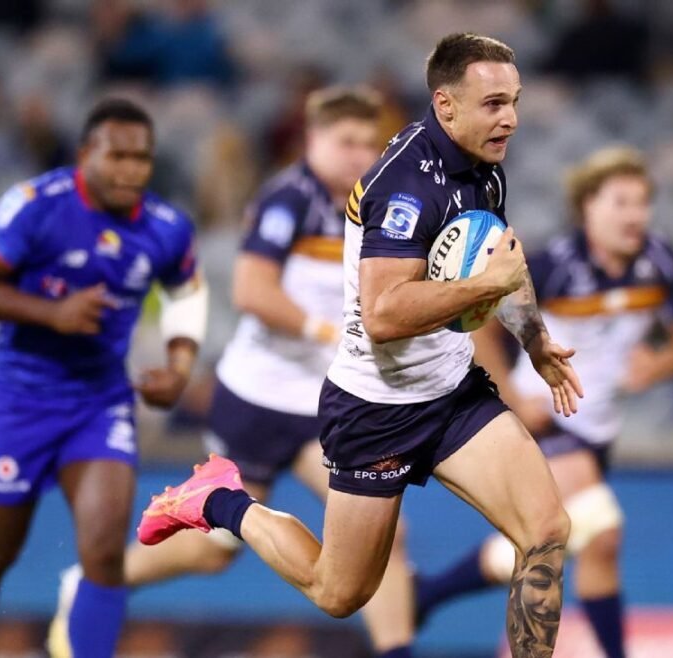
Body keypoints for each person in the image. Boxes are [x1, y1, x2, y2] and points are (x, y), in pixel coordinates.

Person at [139, 33, 584, 658]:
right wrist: (488, 285)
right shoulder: (404, 187)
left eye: (513, 101)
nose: (509, 117)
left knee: (546, 530)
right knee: (339, 591)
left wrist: (534, 340)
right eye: (493, 104)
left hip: (453, 394)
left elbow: (501, 259)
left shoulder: (482, 164)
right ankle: (218, 500)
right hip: (377, 409)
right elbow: (382, 314)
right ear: (446, 104)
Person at [47, 87, 417, 658]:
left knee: (385, 535)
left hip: (326, 404)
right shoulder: (287, 200)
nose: (359, 155)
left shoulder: (375, 204)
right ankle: (95, 579)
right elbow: (252, 290)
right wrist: (330, 333)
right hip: (258, 399)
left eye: (369, 144)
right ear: (312, 140)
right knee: (215, 550)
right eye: (346, 142)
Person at [0, 98, 207, 658]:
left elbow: (186, 291)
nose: (131, 170)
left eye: (142, 158)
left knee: (104, 553)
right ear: (85, 155)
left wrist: (180, 367)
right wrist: (51, 313)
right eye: (117, 156)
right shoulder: (34, 206)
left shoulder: (165, 227)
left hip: (99, 401)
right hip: (18, 399)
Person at [414, 147, 673, 658]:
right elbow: (479, 326)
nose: (635, 215)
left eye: (642, 203)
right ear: (587, 207)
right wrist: (511, 397)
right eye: (620, 202)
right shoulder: (552, 266)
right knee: (601, 531)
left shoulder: (661, 262)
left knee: (557, 541)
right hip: (547, 418)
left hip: (598, 428)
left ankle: (426, 593)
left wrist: (661, 364)